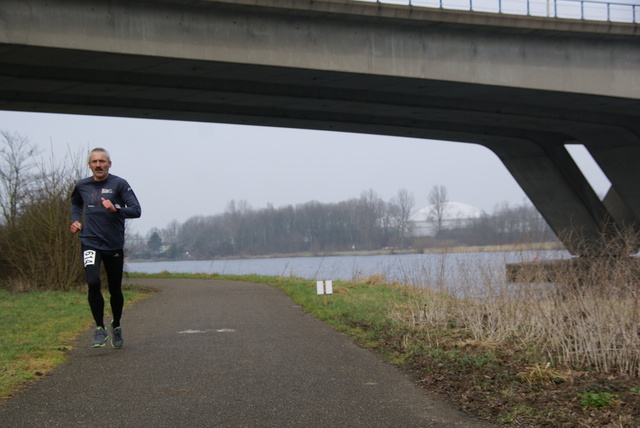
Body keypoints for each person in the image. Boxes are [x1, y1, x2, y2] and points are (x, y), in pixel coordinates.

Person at [70, 147, 141, 348]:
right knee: (93, 282)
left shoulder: (119, 184)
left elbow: (136, 210)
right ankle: (100, 328)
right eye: (95, 162)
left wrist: (115, 208)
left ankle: (116, 325)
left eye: (102, 161)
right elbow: (75, 204)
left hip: (113, 245)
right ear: (89, 165)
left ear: (109, 164)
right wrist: (75, 220)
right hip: (90, 242)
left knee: (114, 288)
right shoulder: (82, 185)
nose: (98, 165)